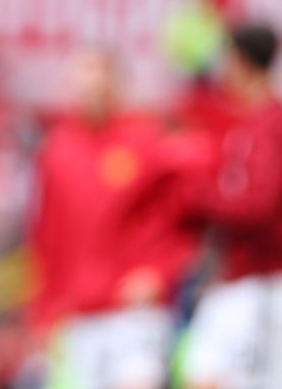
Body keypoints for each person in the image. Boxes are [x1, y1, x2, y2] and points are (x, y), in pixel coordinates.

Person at [29, 49, 195, 389]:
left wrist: (161, 271)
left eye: (98, 78)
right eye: (82, 79)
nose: (90, 89)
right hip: (80, 314)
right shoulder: (58, 149)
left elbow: (184, 212)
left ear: (117, 84)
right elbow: (49, 233)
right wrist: (44, 309)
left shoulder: (146, 139)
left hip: (134, 310)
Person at [182, 23, 282, 389]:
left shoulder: (277, 125)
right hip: (246, 281)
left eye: (227, 60)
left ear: (242, 62)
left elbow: (261, 203)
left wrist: (198, 199)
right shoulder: (248, 125)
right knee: (205, 372)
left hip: (275, 282)